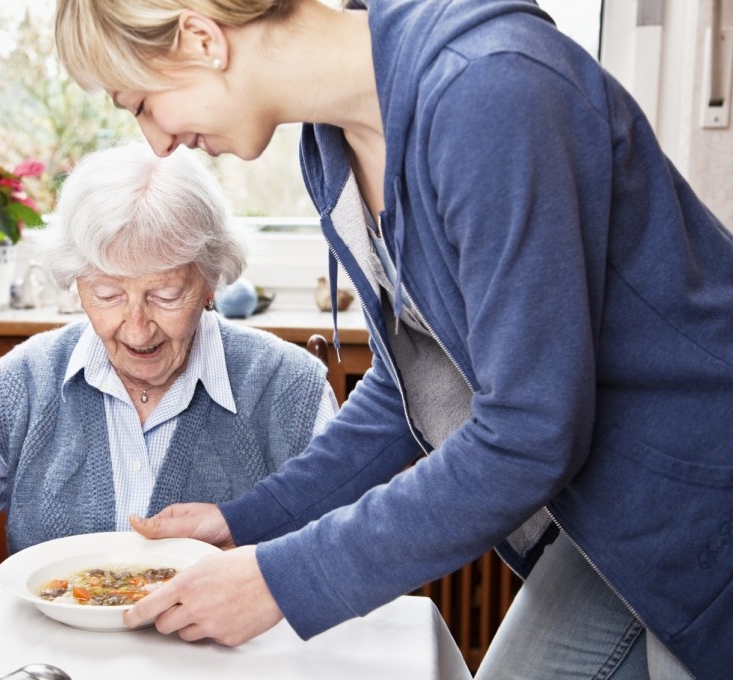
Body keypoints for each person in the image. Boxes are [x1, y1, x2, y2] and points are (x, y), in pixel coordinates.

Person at [53, 1, 733, 678]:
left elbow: (530, 431)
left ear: (202, 39)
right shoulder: (333, 146)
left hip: (703, 499)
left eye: (140, 103)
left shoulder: (491, 88)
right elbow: (417, 380)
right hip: (614, 518)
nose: (157, 141)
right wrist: (249, 521)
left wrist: (280, 580)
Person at [0, 141, 338, 647]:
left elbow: (350, 548)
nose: (137, 329)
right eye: (108, 294)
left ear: (210, 281)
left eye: (166, 295)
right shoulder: (23, 382)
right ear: (76, 283)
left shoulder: (290, 389)